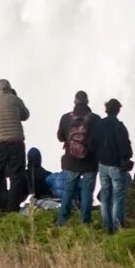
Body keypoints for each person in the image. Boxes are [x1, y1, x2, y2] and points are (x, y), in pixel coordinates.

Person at [0, 78, 30, 214]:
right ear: (9, 88)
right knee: (16, 176)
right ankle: (13, 208)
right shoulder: (15, 99)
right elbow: (25, 115)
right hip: (16, 141)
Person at [54, 91, 100, 226]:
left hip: (71, 161)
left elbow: (60, 137)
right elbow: (99, 139)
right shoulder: (95, 119)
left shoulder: (65, 118)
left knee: (68, 190)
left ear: (75, 102)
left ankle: (62, 219)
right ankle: (85, 221)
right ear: (87, 102)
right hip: (89, 161)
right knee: (87, 192)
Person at [94, 98, 134, 232]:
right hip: (116, 166)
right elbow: (126, 148)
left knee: (105, 196)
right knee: (118, 198)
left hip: (102, 165)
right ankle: (117, 228)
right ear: (117, 110)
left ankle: (107, 227)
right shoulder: (119, 127)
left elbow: (91, 143)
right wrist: (127, 158)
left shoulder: (99, 124)